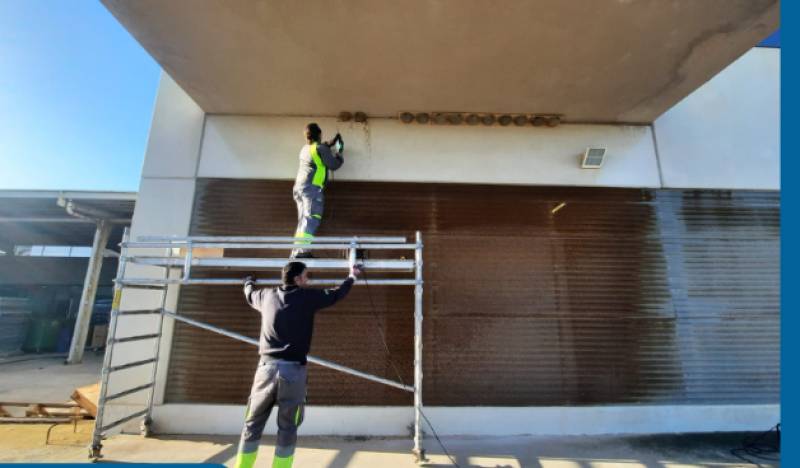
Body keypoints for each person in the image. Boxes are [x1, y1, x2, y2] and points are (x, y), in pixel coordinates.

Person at [235, 261, 361, 468]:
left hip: (265, 371)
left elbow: (249, 294)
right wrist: (352, 276)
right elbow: (337, 293)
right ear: (297, 279)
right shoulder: (307, 298)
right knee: (287, 427)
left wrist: (248, 281)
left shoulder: (265, 296)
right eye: (306, 275)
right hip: (292, 372)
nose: (308, 279)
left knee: (252, 423)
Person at [291, 123, 344, 258]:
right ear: (319, 134)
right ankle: (303, 252)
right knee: (312, 219)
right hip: (312, 189)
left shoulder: (305, 148)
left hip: (299, 188)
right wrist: (339, 152)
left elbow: (319, 150)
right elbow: (334, 165)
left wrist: (329, 144)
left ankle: (297, 251)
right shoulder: (320, 149)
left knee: (303, 220)